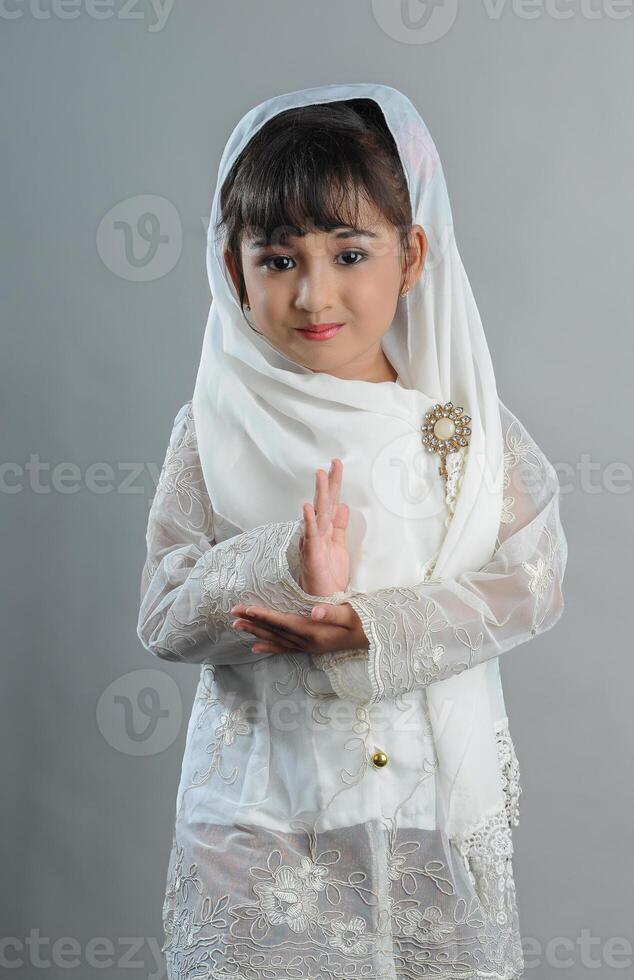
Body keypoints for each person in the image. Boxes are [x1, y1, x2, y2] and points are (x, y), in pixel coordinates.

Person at [137, 82, 568, 980]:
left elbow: (533, 581)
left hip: (425, 813)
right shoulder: (213, 428)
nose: (314, 294)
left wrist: (373, 624)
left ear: (411, 256)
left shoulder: (456, 428)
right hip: (260, 822)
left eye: (347, 252)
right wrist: (283, 566)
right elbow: (166, 614)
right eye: (279, 259)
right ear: (232, 270)